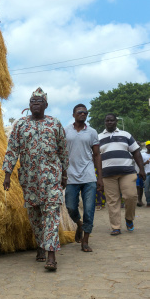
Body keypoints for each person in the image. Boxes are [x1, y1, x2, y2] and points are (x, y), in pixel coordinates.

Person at [3, 87, 68, 272]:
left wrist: (65, 174)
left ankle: (51, 255)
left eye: (39, 102)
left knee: (52, 214)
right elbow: (12, 149)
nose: (35, 105)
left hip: (52, 179)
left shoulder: (55, 124)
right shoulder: (21, 125)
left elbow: (63, 150)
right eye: (32, 102)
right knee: (35, 216)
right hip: (30, 180)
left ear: (46, 105)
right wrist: (7, 174)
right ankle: (40, 244)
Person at [64, 104, 103, 252]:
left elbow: (97, 155)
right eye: (80, 112)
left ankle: (85, 240)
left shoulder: (92, 132)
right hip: (71, 176)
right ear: (73, 114)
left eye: (85, 112)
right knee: (71, 206)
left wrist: (100, 177)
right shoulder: (65, 131)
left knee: (89, 209)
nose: (83, 114)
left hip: (88, 176)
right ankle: (79, 224)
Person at [98, 114, 146, 235]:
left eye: (112, 120)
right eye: (107, 120)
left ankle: (129, 218)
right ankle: (116, 227)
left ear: (116, 122)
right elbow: (95, 156)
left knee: (131, 196)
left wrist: (141, 169)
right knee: (112, 201)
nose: (109, 122)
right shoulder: (98, 137)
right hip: (108, 175)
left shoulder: (126, 135)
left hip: (127, 173)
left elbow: (136, 152)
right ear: (105, 122)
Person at [140, 141, 150, 207]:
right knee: (146, 190)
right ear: (146, 146)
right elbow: (140, 164)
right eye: (149, 145)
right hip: (147, 174)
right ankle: (148, 202)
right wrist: (145, 163)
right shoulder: (143, 154)